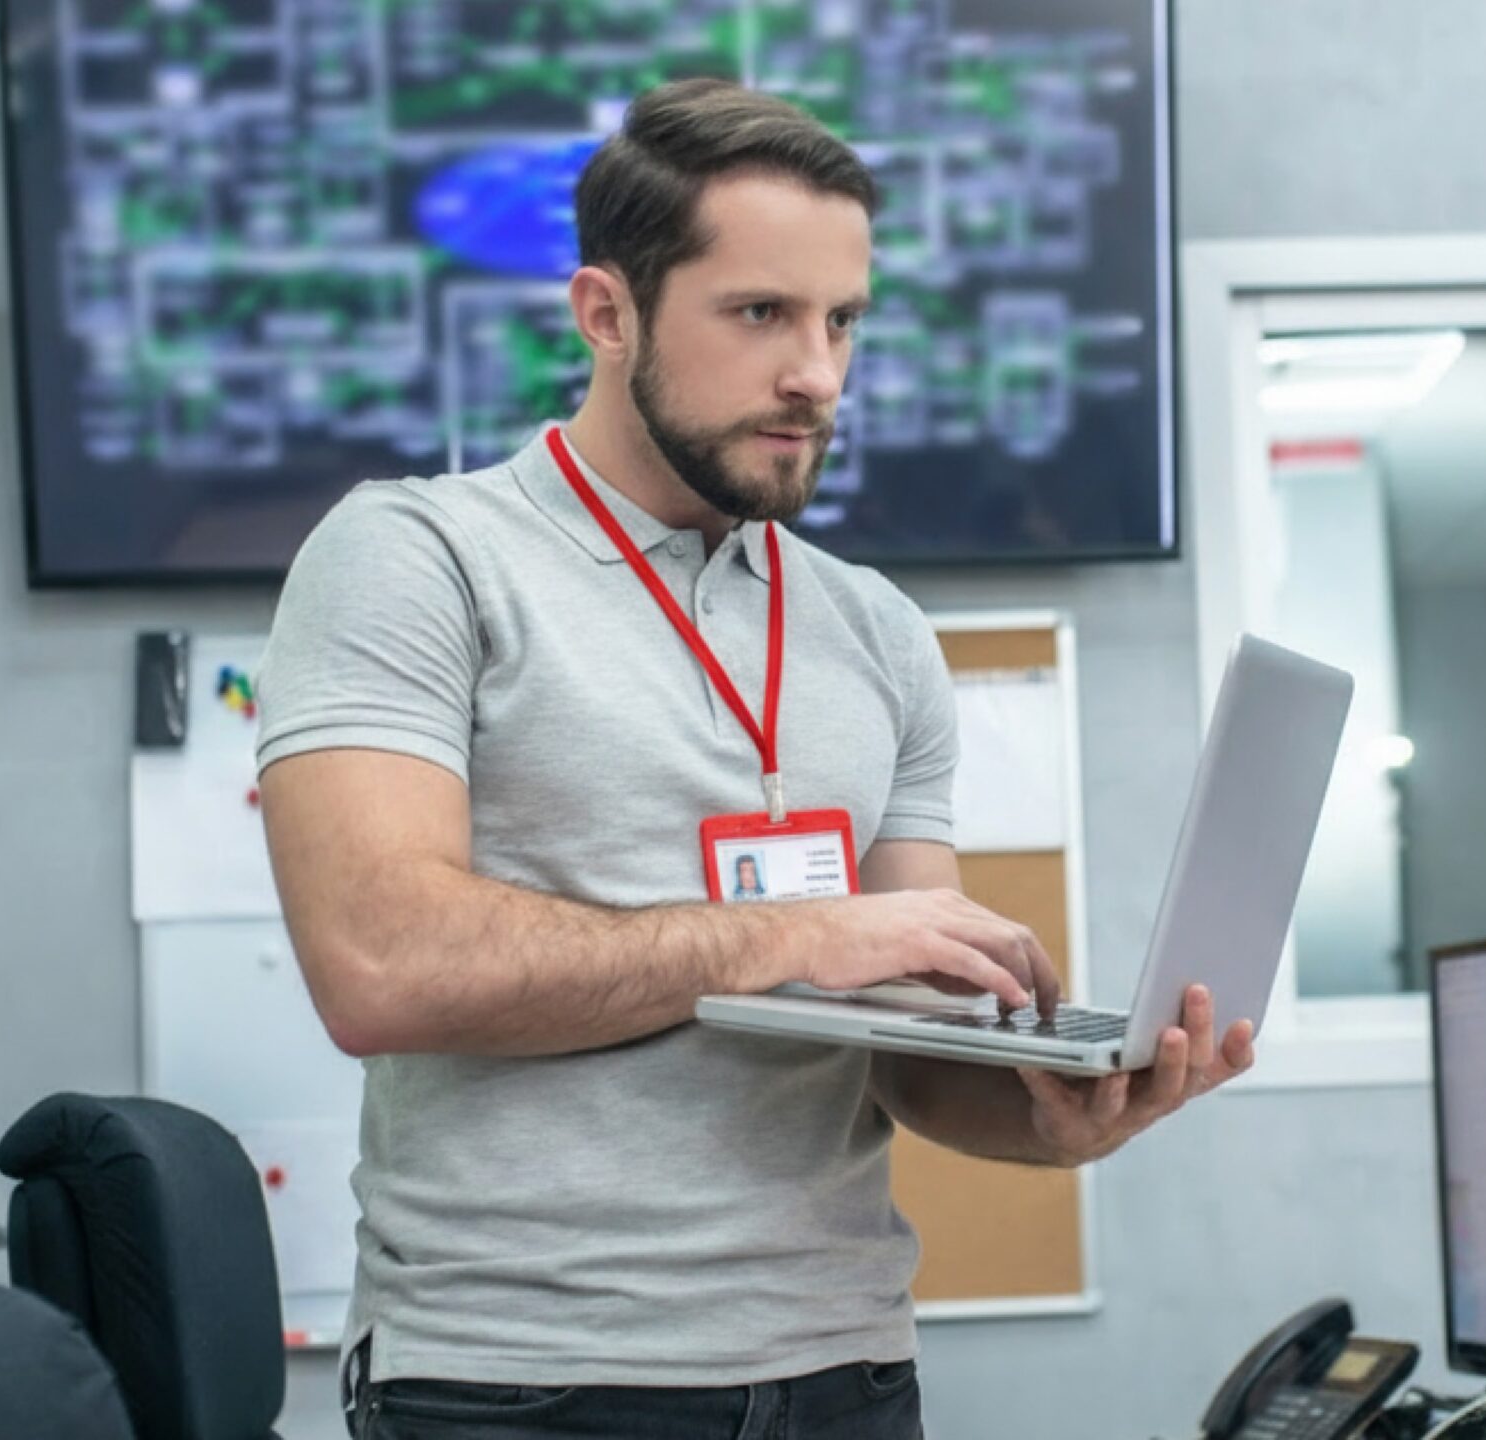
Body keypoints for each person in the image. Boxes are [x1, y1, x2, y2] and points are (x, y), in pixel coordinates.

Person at [254, 79, 1254, 1440]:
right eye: (760, 315)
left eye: (842, 321)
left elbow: (911, 1048)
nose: (819, 376)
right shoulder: (415, 559)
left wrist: (1064, 1116)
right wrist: (790, 933)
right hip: (520, 1384)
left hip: (845, 1374)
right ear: (605, 315)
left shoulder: (878, 630)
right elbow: (380, 966)